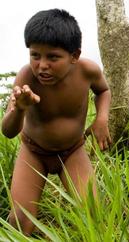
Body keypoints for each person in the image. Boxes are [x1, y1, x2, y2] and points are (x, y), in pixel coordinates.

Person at [1, 9, 111, 235]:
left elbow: (103, 90)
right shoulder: (26, 78)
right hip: (34, 153)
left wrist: (102, 118)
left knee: (93, 214)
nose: (42, 65)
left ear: (74, 55)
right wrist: (20, 109)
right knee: (21, 221)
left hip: (72, 152)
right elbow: (8, 131)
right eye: (35, 55)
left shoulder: (88, 71)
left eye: (53, 57)